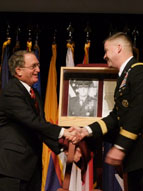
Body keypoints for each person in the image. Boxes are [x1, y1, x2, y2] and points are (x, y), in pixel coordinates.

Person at [69, 32, 143, 191]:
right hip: (135, 159)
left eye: (106, 51)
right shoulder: (126, 75)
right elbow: (116, 117)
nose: (104, 56)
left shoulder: (138, 72)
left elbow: (139, 111)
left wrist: (120, 147)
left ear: (118, 48)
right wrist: (85, 131)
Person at [0, 50, 80, 191]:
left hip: (32, 168)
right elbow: (32, 122)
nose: (38, 70)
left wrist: (62, 149)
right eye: (33, 66)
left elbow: (39, 128)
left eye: (38, 65)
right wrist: (64, 132)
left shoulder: (34, 93)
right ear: (19, 71)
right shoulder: (11, 91)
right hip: (12, 168)